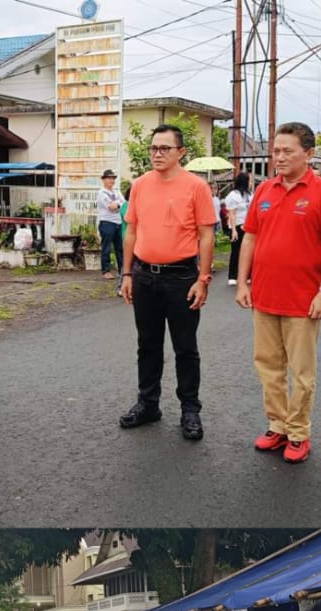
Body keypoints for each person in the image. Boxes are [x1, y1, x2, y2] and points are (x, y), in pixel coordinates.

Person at [237, 122, 321, 465]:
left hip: (303, 300)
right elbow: (250, 238)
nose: (279, 157)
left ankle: (298, 432)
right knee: (268, 367)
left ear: (308, 154)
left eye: (287, 151)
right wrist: (242, 282)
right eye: (276, 151)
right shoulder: (265, 190)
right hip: (265, 296)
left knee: (301, 373)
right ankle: (278, 425)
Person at [119, 124, 216, 442]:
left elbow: (206, 234)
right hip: (145, 276)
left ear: (181, 152)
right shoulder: (140, 185)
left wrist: (203, 278)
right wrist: (127, 274)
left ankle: (190, 410)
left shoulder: (196, 187)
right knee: (147, 345)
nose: (157, 154)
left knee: (185, 348)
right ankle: (148, 404)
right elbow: (131, 231)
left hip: (182, 278)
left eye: (164, 148)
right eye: (153, 148)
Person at [224, 170, 252, 286]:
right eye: (249, 180)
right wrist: (234, 230)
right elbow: (232, 214)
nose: (251, 182)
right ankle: (232, 276)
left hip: (248, 226)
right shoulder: (233, 196)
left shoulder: (250, 195)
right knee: (236, 251)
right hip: (237, 225)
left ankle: (248, 275)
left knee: (249, 251)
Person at [96, 170, 125, 280]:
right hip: (107, 222)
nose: (111, 180)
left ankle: (122, 270)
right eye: (109, 178)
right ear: (103, 179)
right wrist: (118, 204)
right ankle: (106, 271)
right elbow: (110, 207)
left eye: (113, 178)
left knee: (120, 248)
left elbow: (123, 204)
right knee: (107, 248)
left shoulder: (117, 192)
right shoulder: (101, 193)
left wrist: (117, 204)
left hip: (118, 222)